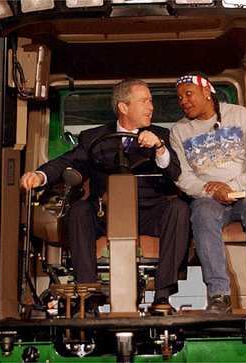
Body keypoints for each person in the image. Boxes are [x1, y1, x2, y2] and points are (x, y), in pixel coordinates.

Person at [20, 78, 190, 311]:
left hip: (150, 212)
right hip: (106, 213)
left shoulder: (162, 135)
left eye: (150, 101)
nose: (150, 107)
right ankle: (87, 293)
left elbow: (174, 171)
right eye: (144, 101)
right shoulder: (93, 138)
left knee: (179, 209)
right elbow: (68, 161)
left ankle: (162, 295)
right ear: (123, 107)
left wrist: (159, 148)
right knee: (79, 210)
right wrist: (40, 176)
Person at [169, 72, 246, 314]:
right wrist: (210, 191)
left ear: (207, 91)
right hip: (209, 196)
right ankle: (219, 295)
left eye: (188, 94)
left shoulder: (240, 115)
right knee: (202, 215)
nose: (183, 101)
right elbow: (183, 176)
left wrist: (233, 186)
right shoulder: (179, 131)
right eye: (179, 98)